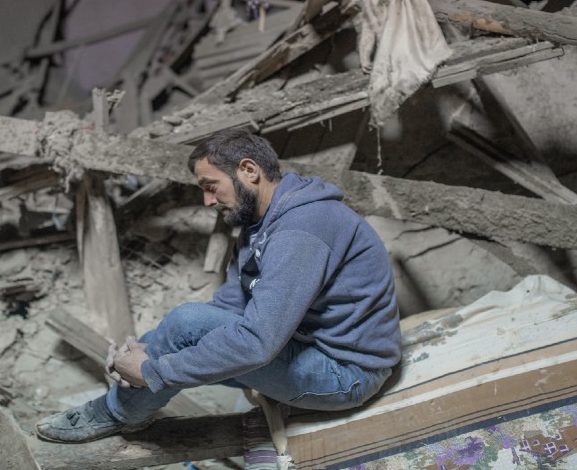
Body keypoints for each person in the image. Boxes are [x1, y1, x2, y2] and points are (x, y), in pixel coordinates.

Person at [36, 129, 401, 443]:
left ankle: (114, 414)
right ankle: (127, 400)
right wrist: (152, 350)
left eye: (211, 187)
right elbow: (229, 305)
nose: (208, 200)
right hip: (302, 347)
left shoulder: (301, 230)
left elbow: (258, 343)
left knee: (184, 326)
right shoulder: (264, 222)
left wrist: (152, 371)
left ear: (248, 170)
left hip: (345, 375)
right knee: (172, 332)